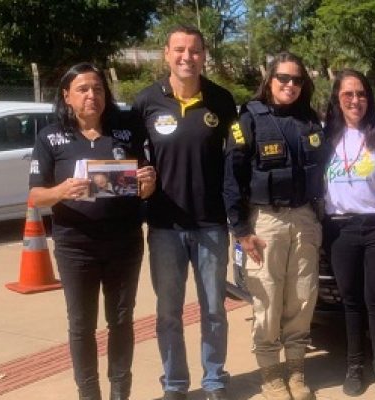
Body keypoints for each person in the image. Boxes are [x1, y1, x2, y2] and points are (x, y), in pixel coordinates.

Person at [28, 62, 156, 400]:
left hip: (124, 245)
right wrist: (61, 191)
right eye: (83, 89)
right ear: (67, 96)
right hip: (75, 247)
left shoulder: (126, 133)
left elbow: (144, 188)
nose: (91, 95)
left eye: (98, 88)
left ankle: (119, 393)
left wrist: (148, 183)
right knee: (82, 327)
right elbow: (35, 194)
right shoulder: (50, 136)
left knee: (121, 322)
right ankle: (89, 394)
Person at [131, 25, 237, 400]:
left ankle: (214, 380)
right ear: (166, 54)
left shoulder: (222, 102)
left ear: (204, 55)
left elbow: (234, 162)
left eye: (194, 50)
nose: (186, 57)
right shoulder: (145, 103)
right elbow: (131, 158)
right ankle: (174, 384)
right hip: (164, 227)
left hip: (211, 225)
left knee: (213, 310)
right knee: (169, 313)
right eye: (179, 50)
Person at [223, 51, 327, 400]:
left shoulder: (310, 119)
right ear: (270, 80)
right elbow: (232, 179)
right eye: (283, 78)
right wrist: (240, 231)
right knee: (267, 299)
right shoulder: (249, 120)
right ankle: (271, 377)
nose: (290, 85)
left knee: (302, 297)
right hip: (264, 221)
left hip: (304, 218)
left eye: (297, 80)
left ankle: (296, 374)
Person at [321, 69, 375, 400]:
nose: (355, 100)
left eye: (361, 94)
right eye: (348, 94)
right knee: (351, 303)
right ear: (337, 99)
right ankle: (354, 367)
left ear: (369, 98)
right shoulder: (325, 136)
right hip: (339, 230)